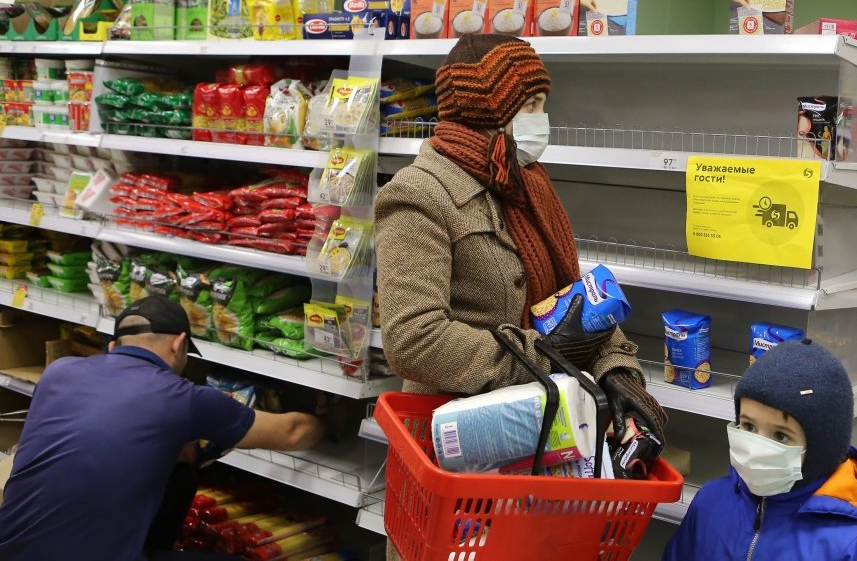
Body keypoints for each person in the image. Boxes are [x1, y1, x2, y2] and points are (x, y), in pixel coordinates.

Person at [375, 33, 666, 440]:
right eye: (530, 105)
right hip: (461, 436)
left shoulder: (526, 181)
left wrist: (614, 368)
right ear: (485, 109)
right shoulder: (419, 193)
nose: (541, 119)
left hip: (545, 426)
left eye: (542, 104)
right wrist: (544, 356)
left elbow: (574, 302)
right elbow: (414, 339)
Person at [0, 296, 329, 561]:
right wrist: (332, 421)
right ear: (179, 344)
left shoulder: (59, 371)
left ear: (114, 346)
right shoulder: (182, 399)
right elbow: (293, 432)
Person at [663, 340, 857, 561]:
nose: (756, 449)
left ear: (821, 450)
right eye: (749, 426)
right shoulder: (710, 502)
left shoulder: (853, 546)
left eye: (780, 435)